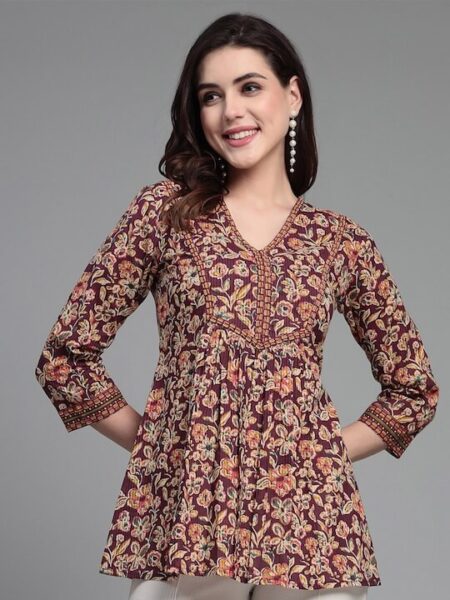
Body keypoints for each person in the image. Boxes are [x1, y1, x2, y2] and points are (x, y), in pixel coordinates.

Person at [34, 12, 440, 600]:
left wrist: (318, 453)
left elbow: (414, 390)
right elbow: (65, 359)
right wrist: (165, 445)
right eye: (211, 96)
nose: (231, 111)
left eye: (250, 87)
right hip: (190, 525)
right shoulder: (167, 214)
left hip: (312, 532)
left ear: (292, 96)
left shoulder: (339, 241)